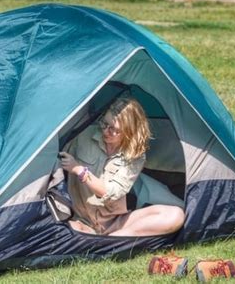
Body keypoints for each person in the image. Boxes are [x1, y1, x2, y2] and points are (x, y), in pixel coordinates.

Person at [59, 98, 185, 236]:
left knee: (176, 215)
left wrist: (79, 170)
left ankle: (115, 238)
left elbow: (110, 192)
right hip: (82, 220)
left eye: (114, 129)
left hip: (117, 222)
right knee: (63, 230)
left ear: (129, 132)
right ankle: (111, 243)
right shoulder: (83, 136)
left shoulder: (135, 156)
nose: (106, 131)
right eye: (104, 124)